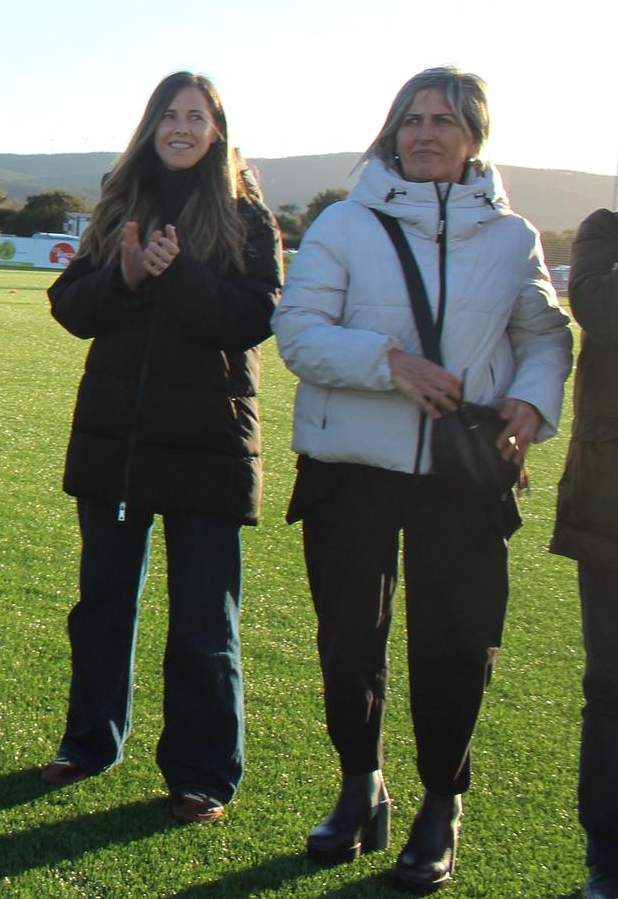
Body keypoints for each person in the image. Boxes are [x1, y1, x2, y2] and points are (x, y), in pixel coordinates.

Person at [274, 66, 571, 890]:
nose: (426, 133)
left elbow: (546, 335)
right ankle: (358, 782)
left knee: (457, 641)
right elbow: (296, 331)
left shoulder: (513, 237)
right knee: (347, 642)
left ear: (475, 136)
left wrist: (530, 402)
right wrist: (389, 364)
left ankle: (442, 800)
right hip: (350, 469)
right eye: (411, 119)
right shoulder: (343, 221)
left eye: (444, 120)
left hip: (465, 471)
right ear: (390, 131)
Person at [36, 72, 282, 825]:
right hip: (118, 443)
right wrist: (127, 276)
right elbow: (71, 308)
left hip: (208, 445)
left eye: (195, 116)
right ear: (151, 125)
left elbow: (252, 317)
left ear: (217, 130)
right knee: (102, 605)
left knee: (206, 621)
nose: (181, 127)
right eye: (169, 115)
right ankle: (90, 741)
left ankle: (202, 772)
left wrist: (174, 276)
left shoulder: (247, 218)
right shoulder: (118, 206)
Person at [553, 206, 618, 899]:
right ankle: (610, 857)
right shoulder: (605, 230)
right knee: (611, 687)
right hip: (610, 505)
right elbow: (601, 307)